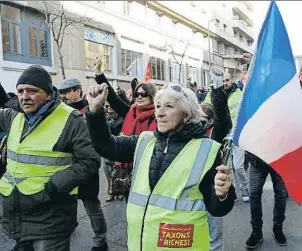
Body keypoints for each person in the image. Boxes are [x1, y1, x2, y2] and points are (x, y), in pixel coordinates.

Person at [86, 82, 236, 251]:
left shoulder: (206, 149)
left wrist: (223, 193)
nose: (160, 113)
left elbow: (217, 208)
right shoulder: (144, 140)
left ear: (186, 115)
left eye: (169, 106)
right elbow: (107, 146)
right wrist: (95, 112)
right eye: (158, 106)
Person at [0, 65, 99, 251]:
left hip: (51, 218)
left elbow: (89, 162)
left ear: (49, 94)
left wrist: (52, 187)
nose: (24, 96)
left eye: (32, 91)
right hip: (19, 214)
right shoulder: (13, 116)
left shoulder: (71, 120)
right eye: (20, 91)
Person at [94, 60, 157, 202]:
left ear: (152, 96)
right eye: (137, 94)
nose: (139, 96)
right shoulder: (131, 112)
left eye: (144, 94)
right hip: (125, 166)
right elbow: (113, 99)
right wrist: (99, 75)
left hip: (145, 167)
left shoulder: (158, 116)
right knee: (130, 203)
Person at [57, 78, 109, 251]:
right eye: (61, 93)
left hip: (87, 166)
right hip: (66, 167)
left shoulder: (92, 109)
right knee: (65, 205)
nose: (63, 96)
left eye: (67, 92)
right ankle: (67, 229)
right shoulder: (59, 111)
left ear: (78, 90)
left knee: (92, 206)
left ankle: (100, 241)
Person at [200, 69, 233, 251]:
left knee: (214, 232)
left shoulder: (216, 132)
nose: (199, 122)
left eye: (204, 119)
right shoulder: (187, 133)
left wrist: (218, 84)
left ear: (212, 121)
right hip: (194, 187)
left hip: (214, 186)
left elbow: (221, 109)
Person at [222, 72, 250, 202]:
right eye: (222, 80)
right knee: (227, 168)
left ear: (232, 80)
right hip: (223, 138)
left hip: (237, 136)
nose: (224, 83)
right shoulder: (216, 94)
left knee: (238, 166)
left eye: (227, 80)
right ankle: (231, 191)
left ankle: (244, 187)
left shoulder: (239, 95)